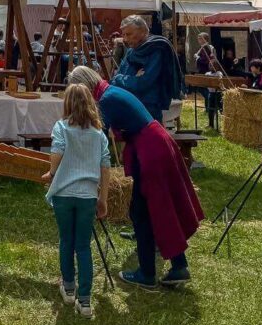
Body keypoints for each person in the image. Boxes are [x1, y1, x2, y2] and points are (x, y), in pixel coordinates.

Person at [69, 65, 203, 290]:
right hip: (154, 144)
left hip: (150, 150)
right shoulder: (110, 92)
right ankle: (178, 265)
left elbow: (98, 138)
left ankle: (147, 274)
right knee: (155, 208)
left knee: (144, 212)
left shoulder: (106, 99)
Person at [43, 83, 110, 318]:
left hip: (63, 192)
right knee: (83, 246)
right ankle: (85, 301)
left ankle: (69, 287)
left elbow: (57, 152)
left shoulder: (61, 127)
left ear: (68, 104)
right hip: (87, 195)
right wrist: (103, 199)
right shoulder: (98, 134)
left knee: (66, 241)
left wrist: (51, 174)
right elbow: (105, 167)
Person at [113, 14, 183, 123]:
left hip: (149, 109)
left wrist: (120, 79)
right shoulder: (132, 51)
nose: (125, 39)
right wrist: (125, 78)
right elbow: (114, 79)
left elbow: (142, 83)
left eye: (129, 34)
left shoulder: (156, 49)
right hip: (129, 106)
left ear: (143, 31)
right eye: (124, 34)